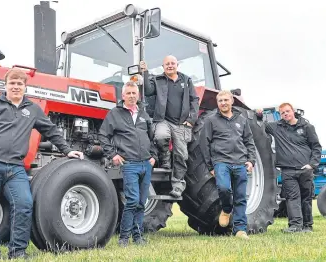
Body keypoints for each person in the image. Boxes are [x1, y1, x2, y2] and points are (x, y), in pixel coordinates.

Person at [0, 68, 83, 259]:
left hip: (15, 167)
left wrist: (67, 150)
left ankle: (18, 250)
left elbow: (51, 130)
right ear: (5, 86)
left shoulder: (32, 109)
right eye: (12, 83)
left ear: (25, 87)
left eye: (19, 84)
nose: (15, 87)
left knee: (24, 204)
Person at [98, 81, 158, 247]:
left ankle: (138, 237)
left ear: (138, 95)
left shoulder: (144, 115)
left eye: (134, 93)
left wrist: (153, 157)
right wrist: (113, 155)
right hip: (129, 164)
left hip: (146, 164)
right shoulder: (115, 114)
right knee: (132, 201)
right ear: (123, 96)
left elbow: (152, 138)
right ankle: (124, 238)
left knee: (141, 202)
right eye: (129, 93)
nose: (132, 96)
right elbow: (103, 135)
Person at [256, 103, 322, 233]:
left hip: (305, 169)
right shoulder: (277, 127)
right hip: (288, 170)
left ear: (293, 111)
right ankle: (295, 226)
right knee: (292, 198)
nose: (285, 114)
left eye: (287, 111)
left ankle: (308, 226)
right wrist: (259, 114)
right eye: (282, 113)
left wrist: (312, 165)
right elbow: (261, 125)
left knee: (306, 198)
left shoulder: (307, 127)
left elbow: (316, 147)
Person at [199, 90, 256, 240]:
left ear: (231, 101)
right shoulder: (211, 120)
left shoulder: (242, 120)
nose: (223, 103)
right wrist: (210, 166)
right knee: (224, 188)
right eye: (220, 101)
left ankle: (240, 230)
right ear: (217, 103)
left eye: (226, 100)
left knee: (240, 197)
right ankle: (226, 209)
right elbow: (204, 143)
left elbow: (249, 141)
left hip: (239, 161)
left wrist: (251, 160)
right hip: (221, 161)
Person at [140, 56, 199, 197]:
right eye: (167, 64)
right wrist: (145, 72)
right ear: (163, 66)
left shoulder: (186, 80)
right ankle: (165, 157)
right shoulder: (158, 80)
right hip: (163, 120)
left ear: (177, 65)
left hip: (181, 123)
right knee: (160, 136)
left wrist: (191, 119)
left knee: (181, 155)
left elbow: (194, 100)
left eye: (172, 63)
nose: (170, 66)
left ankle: (178, 185)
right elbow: (147, 91)